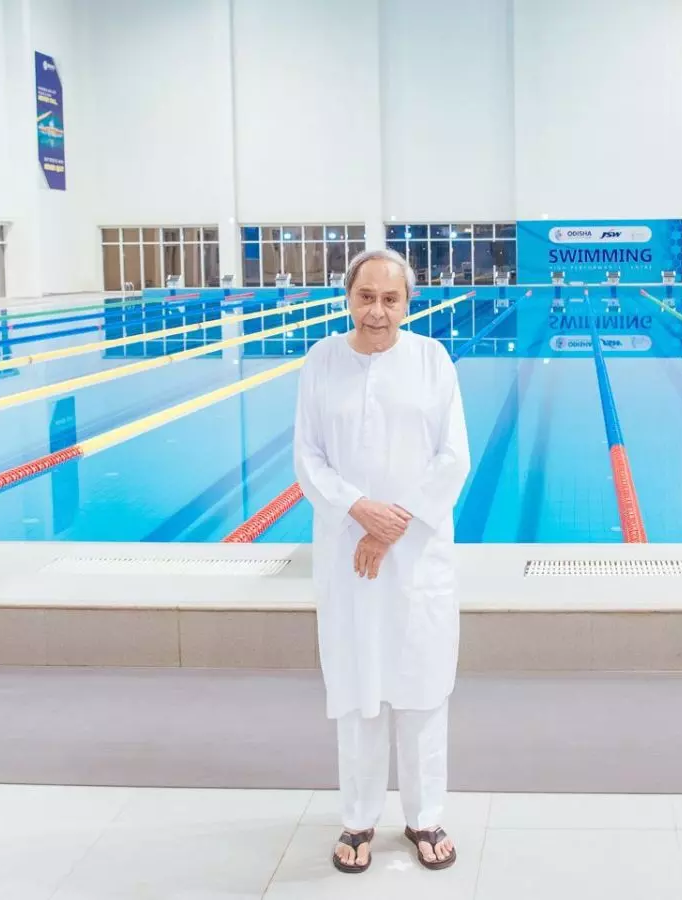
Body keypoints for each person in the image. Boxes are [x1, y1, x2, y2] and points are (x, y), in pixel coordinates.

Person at [294, 248, 470, 875]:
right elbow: (307, 459)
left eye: (389, 299)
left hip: (416, 553)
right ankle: (360, 817)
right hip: (349, 552)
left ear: (407, 303)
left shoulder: (432, 361)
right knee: (358, 686)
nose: (376, 310)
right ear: (348, 298)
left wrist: (394, 521)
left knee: (422, 686)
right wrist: (358, 511)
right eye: (366, 296)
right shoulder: (321, 362)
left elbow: (454, 457)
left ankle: (425, 817)